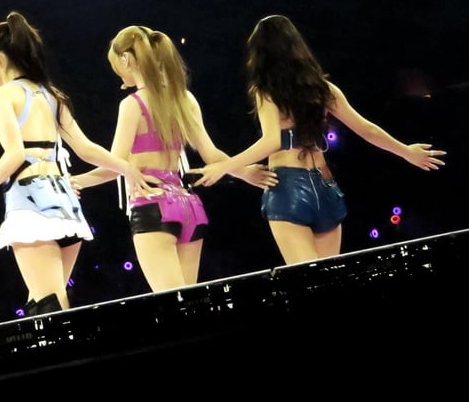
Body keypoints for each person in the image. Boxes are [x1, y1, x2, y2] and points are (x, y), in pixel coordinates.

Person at [189, 14, 446, 265]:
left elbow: (272, 141)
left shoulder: (266, 92)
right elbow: (366, 129)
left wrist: (226, 166)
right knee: (326, 278)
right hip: (325, 185)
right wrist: (406, 151)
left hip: (287, 187)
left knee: (307, 278)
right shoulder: (323, 89)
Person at [0, 11, 160, 317]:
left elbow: (15, 155)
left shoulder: (0, 96)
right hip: (66, 205)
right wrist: (126, 167)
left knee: (49, 306)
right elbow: (86, 149)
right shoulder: (52, 95)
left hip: (30, 201)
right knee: (46, 303)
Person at [70, 26, 277, 292]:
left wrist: (76, 181)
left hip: (153, 205)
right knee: (189, 303)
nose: (117, 74)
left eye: (116, 65)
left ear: (126, 59)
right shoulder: (184, 99)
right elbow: (212, 154)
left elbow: (115, 165)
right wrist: (245, 172)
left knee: (172, 303)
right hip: (189, 207)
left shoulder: (132, 105)